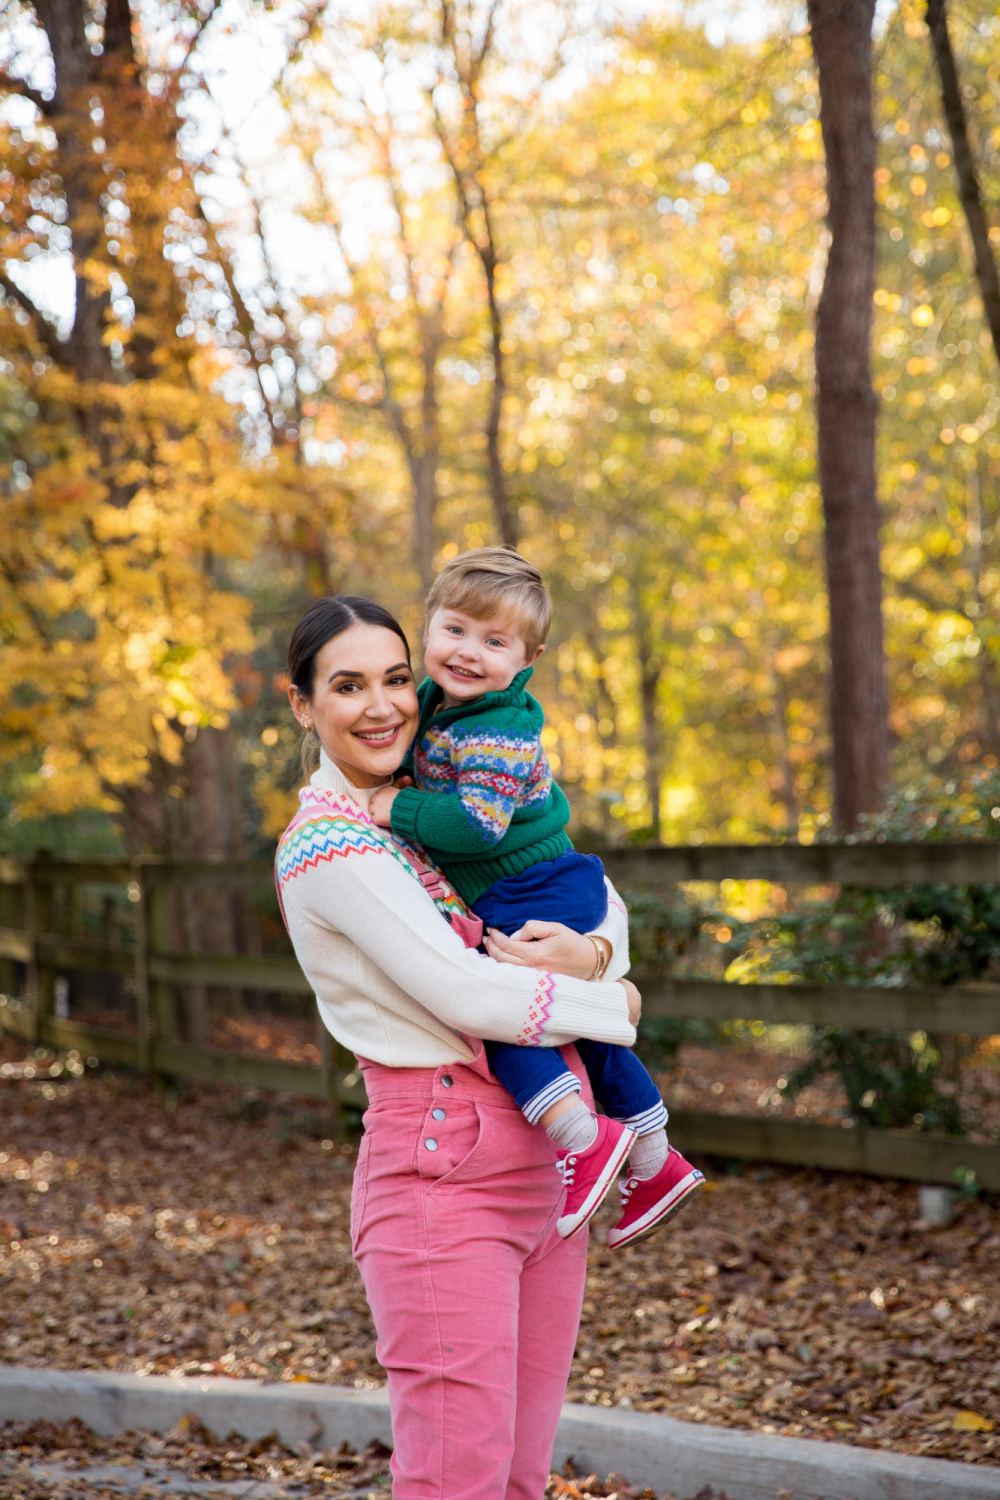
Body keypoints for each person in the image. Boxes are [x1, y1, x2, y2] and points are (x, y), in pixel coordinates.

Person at [277, 593, 644, 1500]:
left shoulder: (447, 797)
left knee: (520, 1477)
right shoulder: (329, 845)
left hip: (550, 1162)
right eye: (348, 685)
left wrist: (598, 953)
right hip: (444, 1173)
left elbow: (593, 896)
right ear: (301, 704)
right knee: (457, 1480)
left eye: (397, 679)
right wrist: (619, 1001)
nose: (381, 706)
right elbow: (466, 990)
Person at [368, 548, 703, 1247]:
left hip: (536, 887)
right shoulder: (435, 700)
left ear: (528, 658)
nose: (468, 652)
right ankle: (653, 1153)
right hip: (538, 885)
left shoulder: (499, 728)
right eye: (456, 629)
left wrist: (392, 810)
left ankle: (582, 1137)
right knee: (576, 1023)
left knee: (507, 1015)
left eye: (495, 643)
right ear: (427, 626)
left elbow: (476, 824)